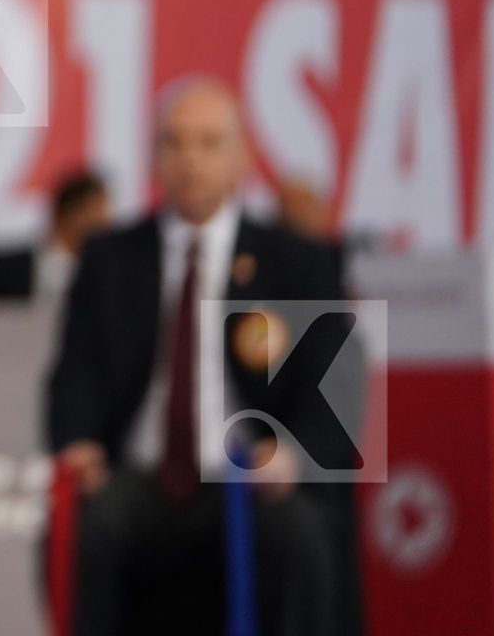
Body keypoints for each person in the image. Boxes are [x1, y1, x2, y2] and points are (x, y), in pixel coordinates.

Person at [46, 76, 343, 636]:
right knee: (92, 528)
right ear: (154, 156)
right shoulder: (109, 258)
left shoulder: (297, 261)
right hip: (140, 478)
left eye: (209, 143)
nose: (190, 159)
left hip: (250, 478)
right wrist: (78, 443)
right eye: (175, 142)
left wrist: (292, 454)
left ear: (242, 158)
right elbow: (73, 375)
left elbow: (332, 389)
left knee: (298, 533)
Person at [0, 167, 107, 301]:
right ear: (68, 214)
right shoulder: (1, 271)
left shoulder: (106, 277)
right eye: (96, 214)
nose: (104, 225)